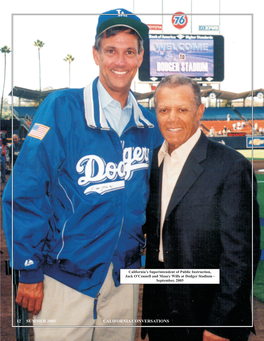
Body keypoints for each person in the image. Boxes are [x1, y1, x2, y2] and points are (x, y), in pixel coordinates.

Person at [3, 8, 163, 341]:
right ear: (96, 54)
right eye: (111, 51)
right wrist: (29, 270)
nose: (120, 61)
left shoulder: (149, 125)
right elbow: (26, 191)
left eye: (129, 51)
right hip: (66, 277)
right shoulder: (63, 107)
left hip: (123, 278)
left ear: (140, 58)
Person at [141, 75, 261, 341]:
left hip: (209, 310)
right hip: (162, 307)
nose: (172, 118)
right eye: (164, 110)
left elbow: (242, 254)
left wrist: (222, 323)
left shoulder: (231, 166)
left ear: (199, 112)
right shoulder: (151, 164)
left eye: (182, 109)